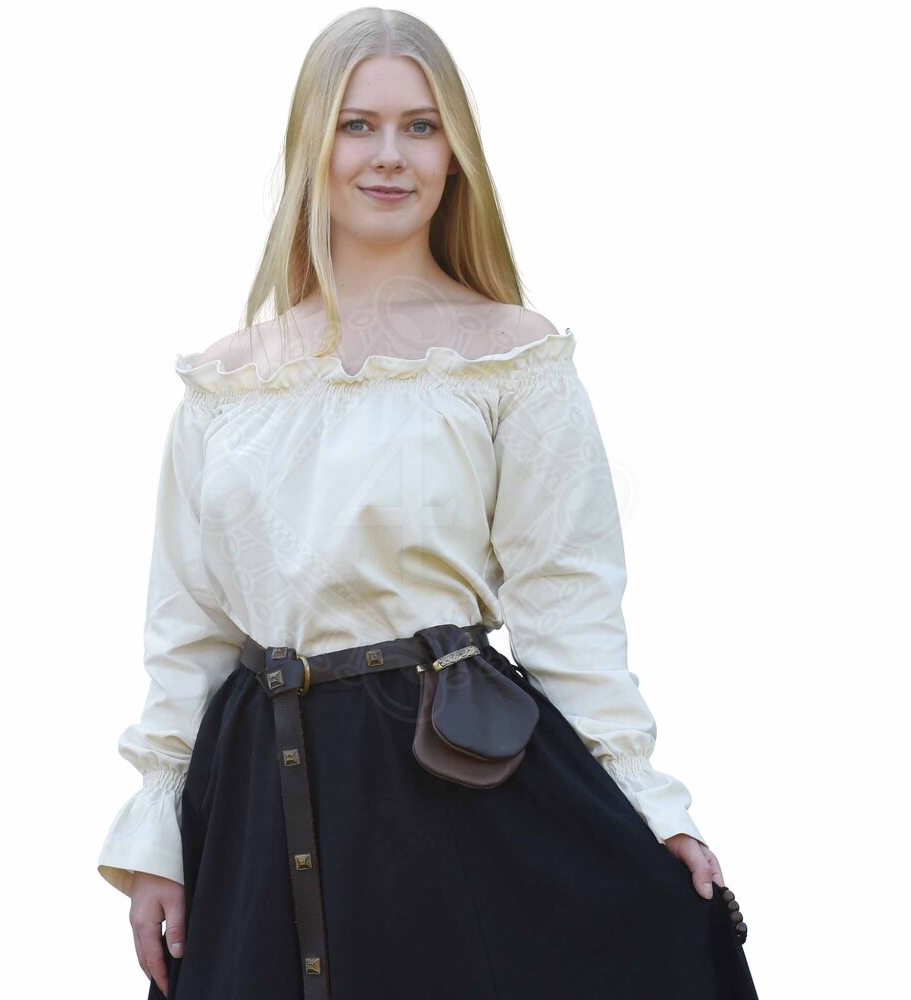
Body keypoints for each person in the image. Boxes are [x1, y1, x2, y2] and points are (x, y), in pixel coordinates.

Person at [97, 9, 760, 999]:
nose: (389, 155)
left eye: (421, 125)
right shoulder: (226, 388)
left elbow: (568, 605)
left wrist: (651, 807)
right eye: (356, 125)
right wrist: (157, 838)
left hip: (447, 787)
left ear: (456, 155)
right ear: (310, 147)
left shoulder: (510, 358)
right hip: (258, 801)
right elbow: (186, 632)